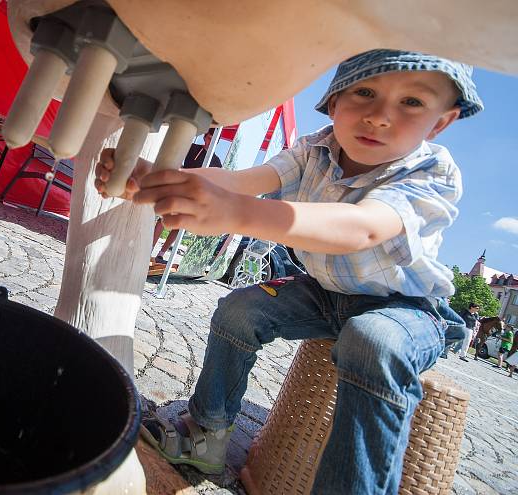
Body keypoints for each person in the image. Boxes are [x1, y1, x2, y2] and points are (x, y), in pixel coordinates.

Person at [94, 49, 482, 493]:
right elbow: (243, 182)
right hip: (322, 291)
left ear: (439, 123)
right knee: (240, 310)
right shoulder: (314, 148)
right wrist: (162, 179)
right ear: (334, 102)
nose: (379, 117)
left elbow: (365, 228)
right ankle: (205, 434)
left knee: (374, 341)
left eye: (412, 102)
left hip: (406, 309)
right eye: (366, 92)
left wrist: (238, 214)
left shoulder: (432, 170)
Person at [151, 128, 222, 264]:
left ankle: (161, 254)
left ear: (217, 141)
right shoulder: (193, 148)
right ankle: (149, 248)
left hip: (194, 196)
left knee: (179, 225)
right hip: (180, 186)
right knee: (164, 219)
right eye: (209, 138)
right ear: (205, 137)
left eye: (214, 139)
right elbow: (177, 157)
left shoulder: (216, 162)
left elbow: (215, 182)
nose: (210, 141)